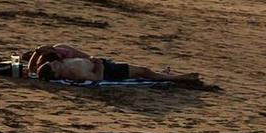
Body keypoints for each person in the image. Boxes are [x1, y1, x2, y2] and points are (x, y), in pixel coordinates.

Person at [20, 43, 200, 86]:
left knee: (143, 71)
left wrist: (37, 51)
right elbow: (97, 79)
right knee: (144, 72)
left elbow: (32, 69)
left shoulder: (62, 64)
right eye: (53, 65)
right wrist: (99, 64)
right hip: (109, 71)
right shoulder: (74, 73)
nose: (54, 63)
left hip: (104, 65)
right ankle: (179, 78)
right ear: (56, 74)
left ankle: (165, 75)